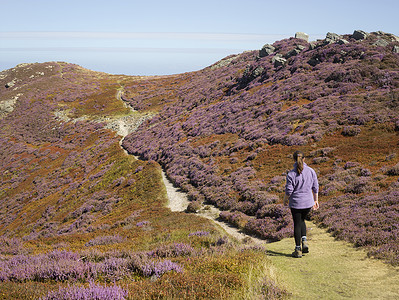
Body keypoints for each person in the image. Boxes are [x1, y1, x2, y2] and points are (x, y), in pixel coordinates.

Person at [284, 150, 319, 258]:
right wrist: (316, 200)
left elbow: (289, 191)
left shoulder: (291, 174)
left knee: (297, 224)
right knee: (302, 221)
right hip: (308, 203)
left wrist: (285, 199)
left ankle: (298, 249)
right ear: (304, 159)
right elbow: (315, 187)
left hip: (296, 203)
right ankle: (304, 241)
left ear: (294, 159)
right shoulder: (311, 171)